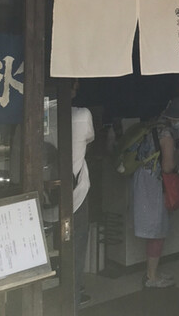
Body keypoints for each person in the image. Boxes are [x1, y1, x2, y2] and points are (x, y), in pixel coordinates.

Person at [133, 96, 179, 289]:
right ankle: (151, 277)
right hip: (154, 183)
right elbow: (167, 166)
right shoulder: (167, 134)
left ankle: (153, 271)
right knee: (157, 231)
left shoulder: (156, 125)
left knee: (154, 229)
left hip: (144, 179)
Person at [71, 79, 95, 311]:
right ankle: (74, 295)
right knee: (77, 245)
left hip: (46, 194)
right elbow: (89, 139)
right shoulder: (82, 115)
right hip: (76, 192)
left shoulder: (40, 114)